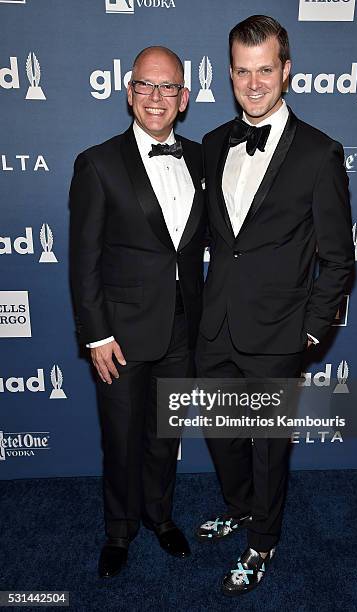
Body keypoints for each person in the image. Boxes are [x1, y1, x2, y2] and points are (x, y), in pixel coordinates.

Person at [195, 15, 354, 596]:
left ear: (286, 70)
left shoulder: (319, 153)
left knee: (267, 449)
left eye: (266, 70)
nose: (254, 83)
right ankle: (241, 509)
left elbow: (339, 258)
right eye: (243, 71)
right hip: (216, 329)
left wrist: (310, 333)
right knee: (223, 435)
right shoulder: (213, 144)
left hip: (280, 333)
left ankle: (264, 540)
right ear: (229, 72)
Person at [69, 46, 206, 579]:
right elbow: (84, 260)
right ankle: (119, 530)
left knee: (165, 434)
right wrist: (96, 334)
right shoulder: (98, 162)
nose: (156, 97)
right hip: (121, 334)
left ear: (184, 98)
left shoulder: (201, 158)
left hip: (183, 327)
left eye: (167, 86)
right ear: (128, 93)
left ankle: (160, 516)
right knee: (122, 438)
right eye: (145, 85)